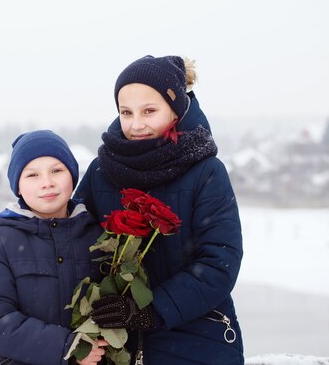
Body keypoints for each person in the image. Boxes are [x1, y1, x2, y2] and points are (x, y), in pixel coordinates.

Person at [74, 55, 244, 364]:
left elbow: (220, 262)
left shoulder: (206, 171)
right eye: (126, 112)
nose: (136, 124)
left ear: (175, 110)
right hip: (112, 347)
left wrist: (150, 309)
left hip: (196, 344)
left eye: (149, 111)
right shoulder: (101, 170)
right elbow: (72, 243)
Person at [0, 130, 107, 365]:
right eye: (32, 175)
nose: (47, 182)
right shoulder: (2, 240)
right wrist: (65, 346)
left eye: (57, 170)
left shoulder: (96, 234)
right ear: (18, 187)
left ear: (72, 176)